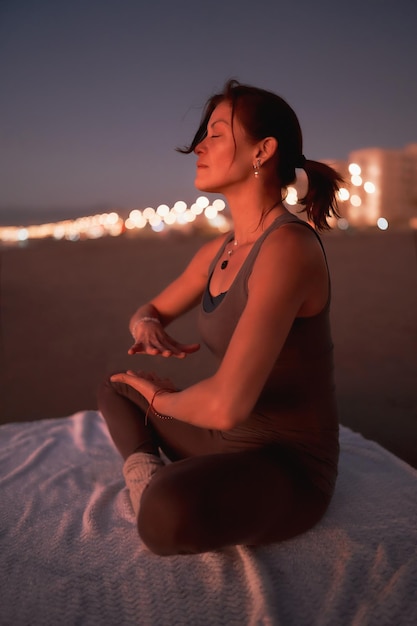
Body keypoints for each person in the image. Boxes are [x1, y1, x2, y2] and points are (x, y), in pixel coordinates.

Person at [97, 79, 343, 556]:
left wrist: (160, 397)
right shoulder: (221, 249)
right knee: (116, 384)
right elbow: (148, 310)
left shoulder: (287, 248)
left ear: (262, 150)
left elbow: (227, 405)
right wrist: (146, 326)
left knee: (167, 512)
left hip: (286, 462)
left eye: (216, 133)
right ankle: (147, 472)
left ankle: (161, 489)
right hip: (223, 438)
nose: (199, 147)